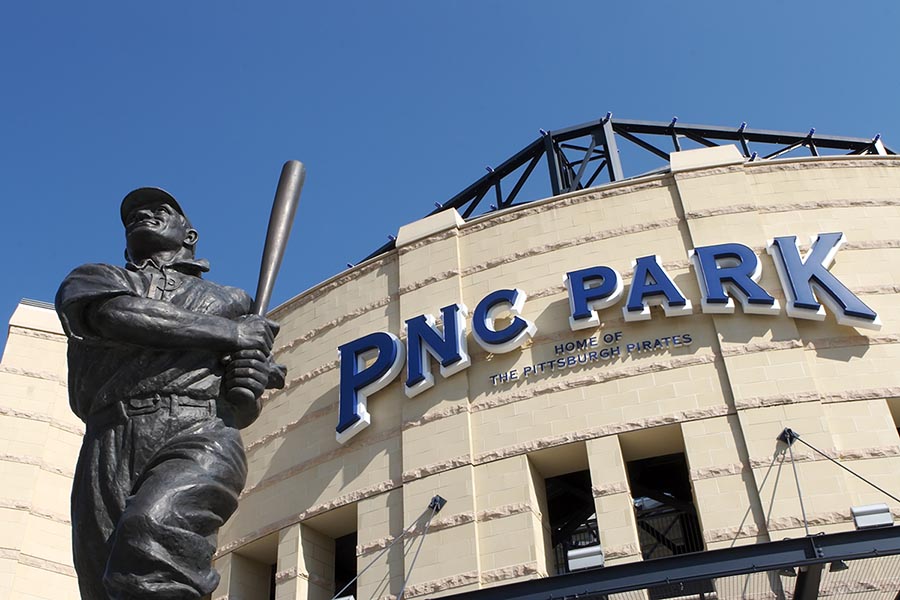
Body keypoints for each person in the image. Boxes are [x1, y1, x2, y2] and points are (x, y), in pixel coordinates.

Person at [55, 187, 284, 600]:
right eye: (133, 214)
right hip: (108, 438)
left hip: (200, 431)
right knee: (105, 583)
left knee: (152, 536)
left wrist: (249, 380)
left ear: (189, 235)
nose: (143, 214)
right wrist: (232, 335)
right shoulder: (98, 278)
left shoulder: (232, 301)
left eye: (159, 209)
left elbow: (242, 404)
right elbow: (117, 315)